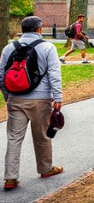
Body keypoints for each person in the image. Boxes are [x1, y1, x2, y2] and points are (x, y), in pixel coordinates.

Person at [0, 16, 64, 190]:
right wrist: (57, 98)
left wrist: (8, 96)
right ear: (39, 30)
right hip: (40, 99)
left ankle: (10, 177)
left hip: (15, 99)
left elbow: (1, 75)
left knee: (13, 138)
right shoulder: (47, 47)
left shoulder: (8, 48)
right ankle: (45, 169)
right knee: (42, 136)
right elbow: (54, 74)